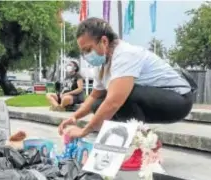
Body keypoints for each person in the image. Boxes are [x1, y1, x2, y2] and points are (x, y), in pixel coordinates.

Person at [58, 17, 195, 171]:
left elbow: (114, 102)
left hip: (178, 100)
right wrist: (75, 117)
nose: (86, 55)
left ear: (103, 41)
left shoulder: (125, 55)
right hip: (157, 97)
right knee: (99, 104)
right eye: (83, 51)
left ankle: (147, 150)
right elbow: (95, 96)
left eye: (88, 49)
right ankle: (129, 147)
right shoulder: (103, 63)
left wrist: (84, 131)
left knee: (121, 97)